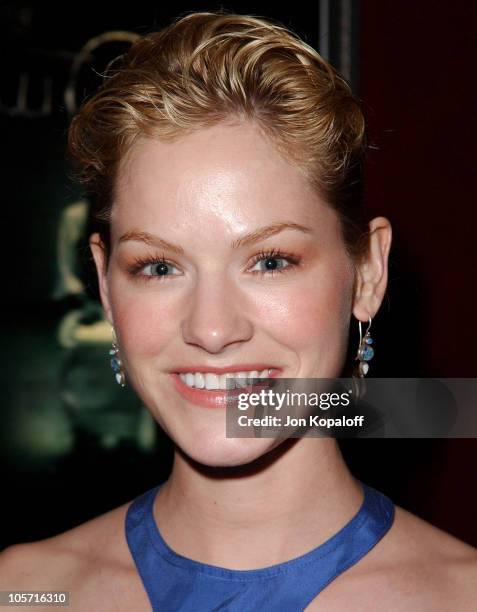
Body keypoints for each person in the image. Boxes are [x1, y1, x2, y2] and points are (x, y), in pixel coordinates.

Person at [1, 10, 476, 611]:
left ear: (367, 273)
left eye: (271, 261)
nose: (213, 329)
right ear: (104, 283)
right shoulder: (23, 591)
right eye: (158, 267)